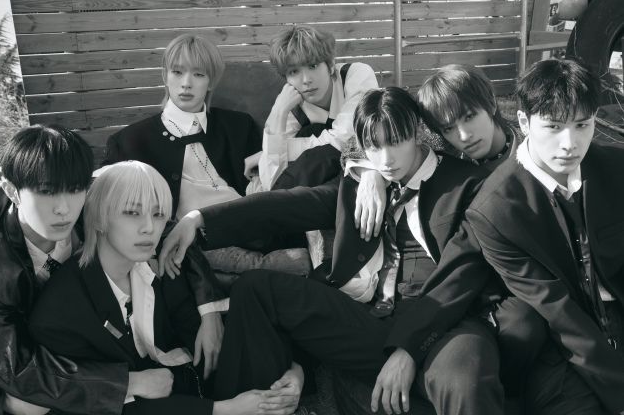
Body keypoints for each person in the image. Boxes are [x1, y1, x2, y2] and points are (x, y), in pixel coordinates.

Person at [162, 87, 507, 415]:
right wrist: (198, 219)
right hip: (369, 319)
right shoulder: (362, 184)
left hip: (441, 321)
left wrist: (408, 350)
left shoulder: (465, 184)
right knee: (254, 289)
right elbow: (284, 206)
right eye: (374, 147)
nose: (386, 159)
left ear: (416, 132)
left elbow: (463, 278)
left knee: (464, 374)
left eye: (396, 142)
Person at [28, 161, 303, 415]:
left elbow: (225, 334)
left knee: (254, 294)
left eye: (158, 214)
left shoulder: (160, 267)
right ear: (99, 218)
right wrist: (225, 410)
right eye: (132, 213)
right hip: (164, 407)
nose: (149, 227)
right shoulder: (62, 311)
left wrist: (293, 370)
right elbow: (102, 404)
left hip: (196, 387)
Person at [346, 64, 540, 398]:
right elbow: (366, 141)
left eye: (470, 117)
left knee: (525, 326)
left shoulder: (530, 152)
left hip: (523, 267)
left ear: (491, 104)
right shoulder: (442, 144)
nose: (463, 136)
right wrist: (369, 173)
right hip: (469, 265)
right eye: (449, 127)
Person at [466, 57, 624, 415]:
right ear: (524, 122)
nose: (570, 143)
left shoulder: (616, 168)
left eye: (582, 125)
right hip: (560, 345)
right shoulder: (495, 210)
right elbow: (555, 308)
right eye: (553, 126)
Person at [0, 126, 132, 414]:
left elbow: (154, 223)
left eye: (74, 189)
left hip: (78, 336)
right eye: (47, 191)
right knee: (29, 406)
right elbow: (14, 369)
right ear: (12, 191)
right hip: (9, 367)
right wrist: (127, 384)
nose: (64, 209)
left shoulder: (90, 202)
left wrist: (207, 304)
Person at [104, 33, 261, 220]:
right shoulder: (129, 142)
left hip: (249, 227)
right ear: (165, 76)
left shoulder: (240, 126)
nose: (186, 84)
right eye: (177, 72)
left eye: (198, 74)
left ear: (211, 81)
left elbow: (266, 191)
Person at [246, 25, 378, 192]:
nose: (306, 80)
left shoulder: (356, 75)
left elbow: (346, 139)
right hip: (318, 183)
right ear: (286, 78)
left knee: (321, 150)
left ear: (330, 65)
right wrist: (279, 111)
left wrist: (274, 151)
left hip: (364, 165)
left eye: (313, 66)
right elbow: (271, 182)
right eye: (294, 72)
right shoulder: (291, 104)